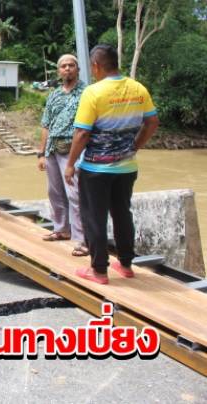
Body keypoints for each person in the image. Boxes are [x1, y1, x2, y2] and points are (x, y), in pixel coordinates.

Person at [65, 44, 160, 285]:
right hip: (127, 168)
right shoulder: (138, 88)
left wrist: (70, 163)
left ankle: (99, 270)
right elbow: (152, 122)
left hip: (96, 169)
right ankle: (126, 265)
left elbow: (82, 134)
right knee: (122, 213)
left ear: (96, 66)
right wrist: (135, 146)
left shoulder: (93, 92)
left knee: (94, 217)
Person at [38, 54, 87, 257]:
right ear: (59, 71)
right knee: (54, 192)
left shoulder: (86, 93)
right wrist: (41, 153)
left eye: (71, 65)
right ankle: (61, 229)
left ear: (77, 69)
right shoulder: (54, 95)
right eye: (63, 66)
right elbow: (45, 124)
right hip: (52, 148)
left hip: (74, 150)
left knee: (75, 194)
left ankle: (82, 239)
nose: (67, 69)